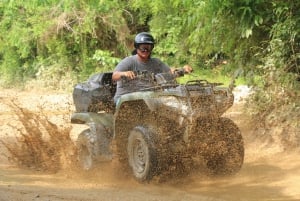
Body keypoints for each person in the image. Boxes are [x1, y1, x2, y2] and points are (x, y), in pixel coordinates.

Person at [112, 32, 192, 103]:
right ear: (137, 47)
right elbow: (114, 76)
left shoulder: (156, 62)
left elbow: (169, 72)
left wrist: (183, 69)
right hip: (126, 99)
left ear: (152, 48)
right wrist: (125, 73)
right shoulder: (129, 61)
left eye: (148, 48)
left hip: (149, 98)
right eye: (143, 48)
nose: (146, 50)